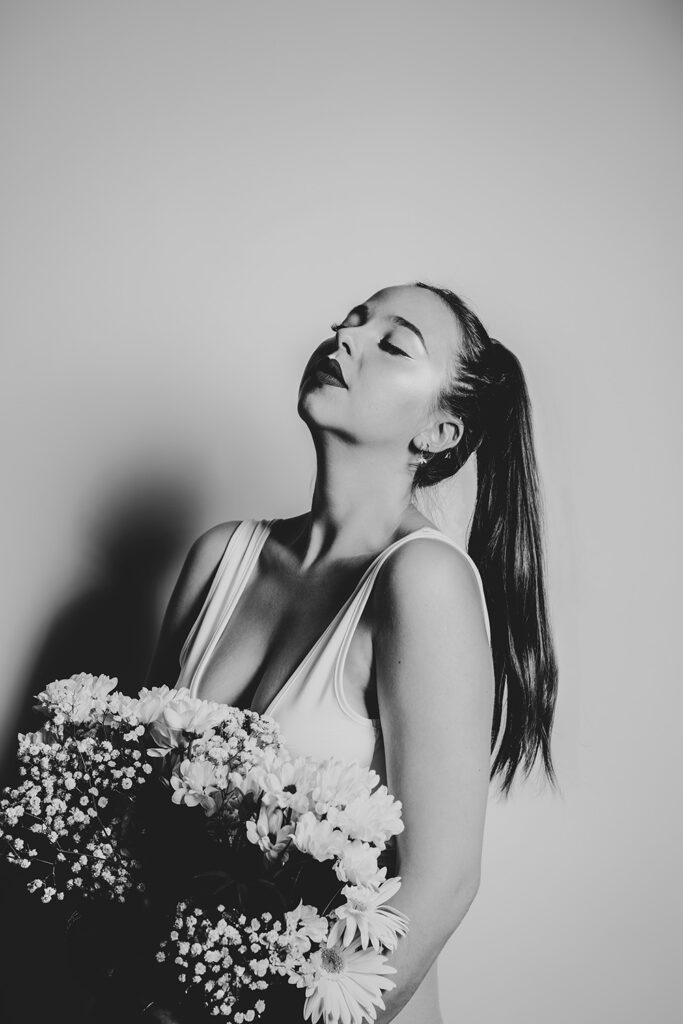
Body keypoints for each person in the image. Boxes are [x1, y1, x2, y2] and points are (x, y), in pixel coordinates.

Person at [143, 281, 559, 1024]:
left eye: (392, 344)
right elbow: (139, 803)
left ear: (439, 432)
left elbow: (439, 886)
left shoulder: (421, 582)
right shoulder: (220, 557)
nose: (343, 339)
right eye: (350, 321)